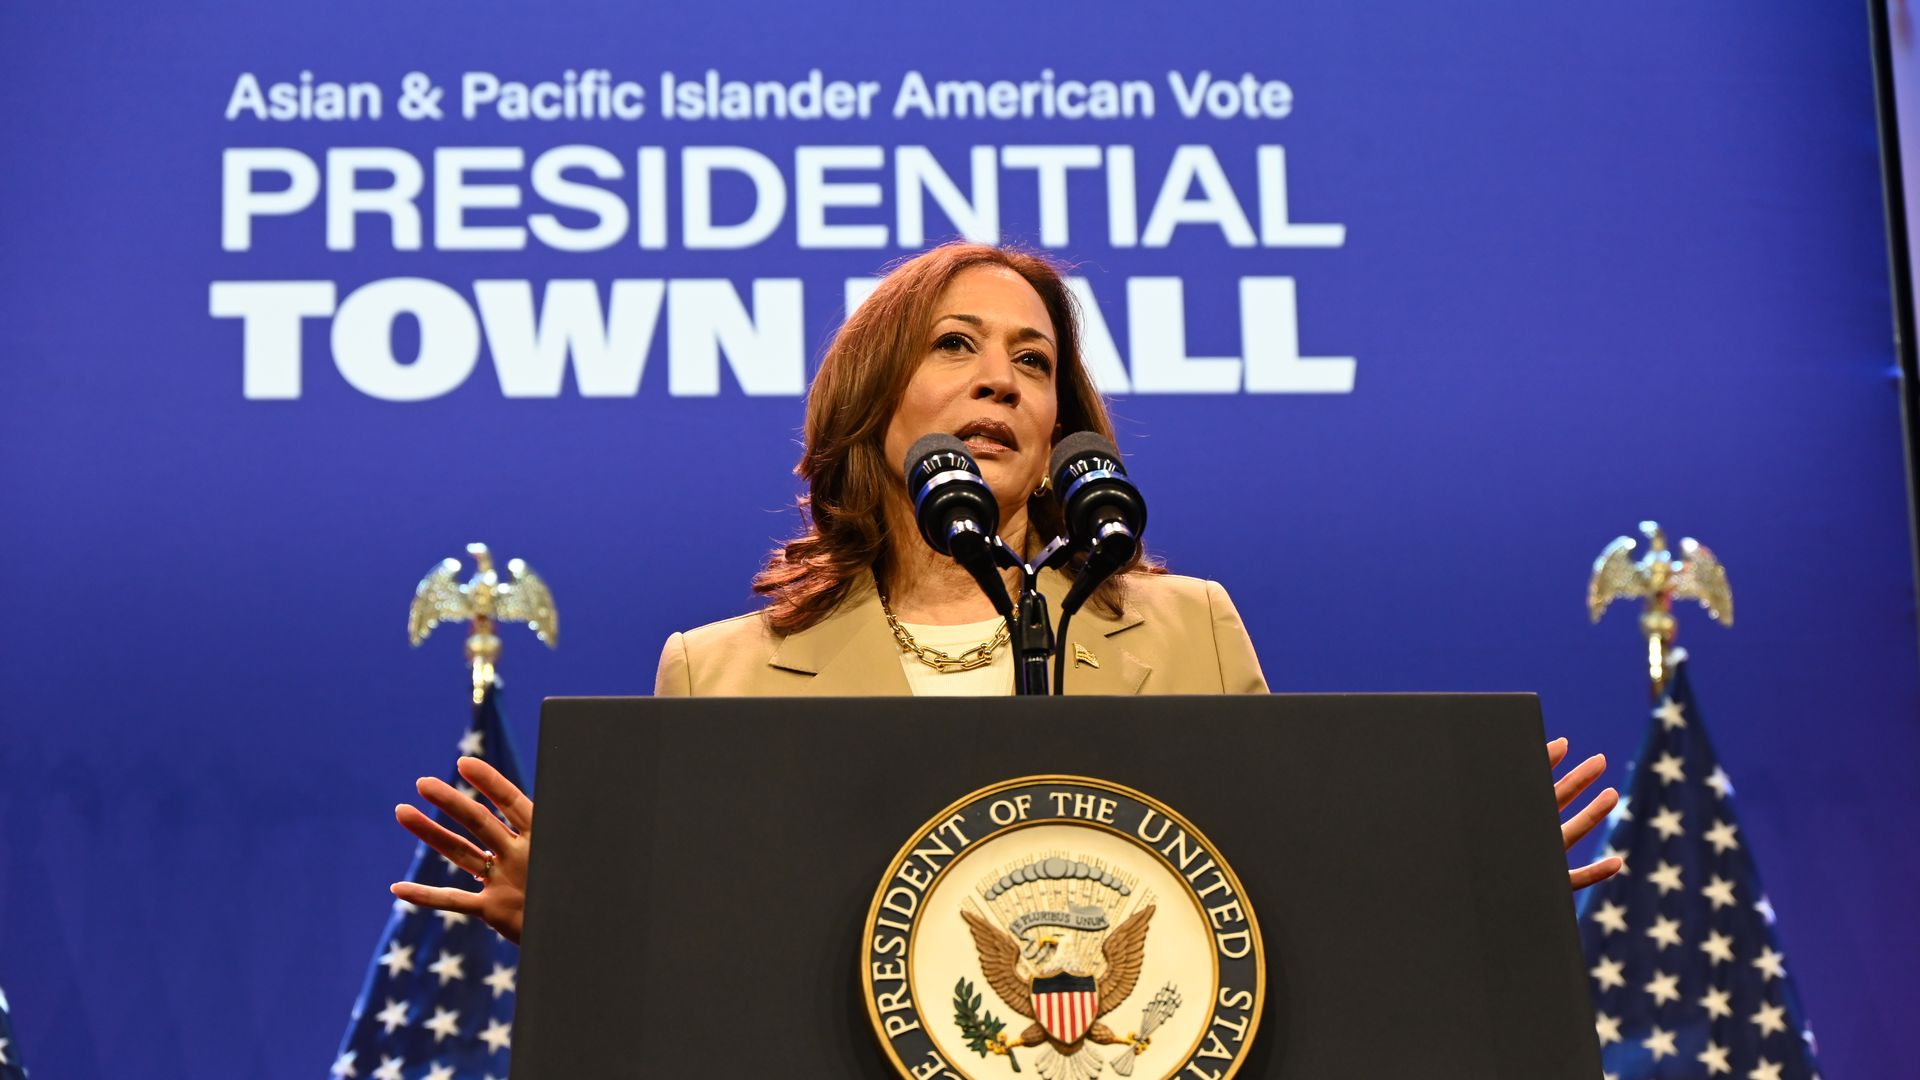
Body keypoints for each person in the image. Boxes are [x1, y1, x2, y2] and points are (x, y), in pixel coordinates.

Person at [391, 242, 1622, 943]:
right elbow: (717, 962)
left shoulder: (1189, 630)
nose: (1004, 381)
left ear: (1062, 423)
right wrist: (584, 918)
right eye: (957, 346)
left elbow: (1269, 901)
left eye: (1035, 361)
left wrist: (1452, 883)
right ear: (872, 401)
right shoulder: (723, 669)